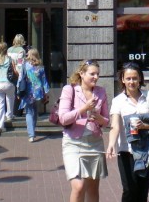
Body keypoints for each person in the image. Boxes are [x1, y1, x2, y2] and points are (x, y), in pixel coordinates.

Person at [106, 62, 149, 202]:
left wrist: (143, 126)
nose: (132, 82)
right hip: (126, 150)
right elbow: (115, 126)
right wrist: (111, 144)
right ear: (123, 79)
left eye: (135, 78)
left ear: (140, 79)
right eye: (128, 78)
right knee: (129, 189)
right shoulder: (118, 101)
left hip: (145, 150)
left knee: (142, 191)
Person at [58, 60, 109, 202]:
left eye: (97, 74)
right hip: (73, 143)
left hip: (95, 143)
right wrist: (83, 109)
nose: (96, 77)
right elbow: (63, 118)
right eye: (92, 74)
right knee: (79, 186)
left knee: (92, 189)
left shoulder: (101, 92)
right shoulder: (69, 90)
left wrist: (99, 118)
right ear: (82, 73)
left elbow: (106, 121)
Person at [17, 48, 49, 142]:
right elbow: (44, 80)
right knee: (34, 110)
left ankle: (31, 134)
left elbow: (20, 79)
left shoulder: (25, 66)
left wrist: (18, 90)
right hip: (38, 91)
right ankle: (32, 130)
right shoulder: (40, 67)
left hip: (28, 91)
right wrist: (46, 92)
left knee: (29, 112)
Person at [0, 41, 17, 135]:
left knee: (0, 105)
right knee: (10, 98)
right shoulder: (10, 59)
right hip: (8, 83)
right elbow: (14, 71)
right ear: (6, 49)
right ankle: (9, 115)